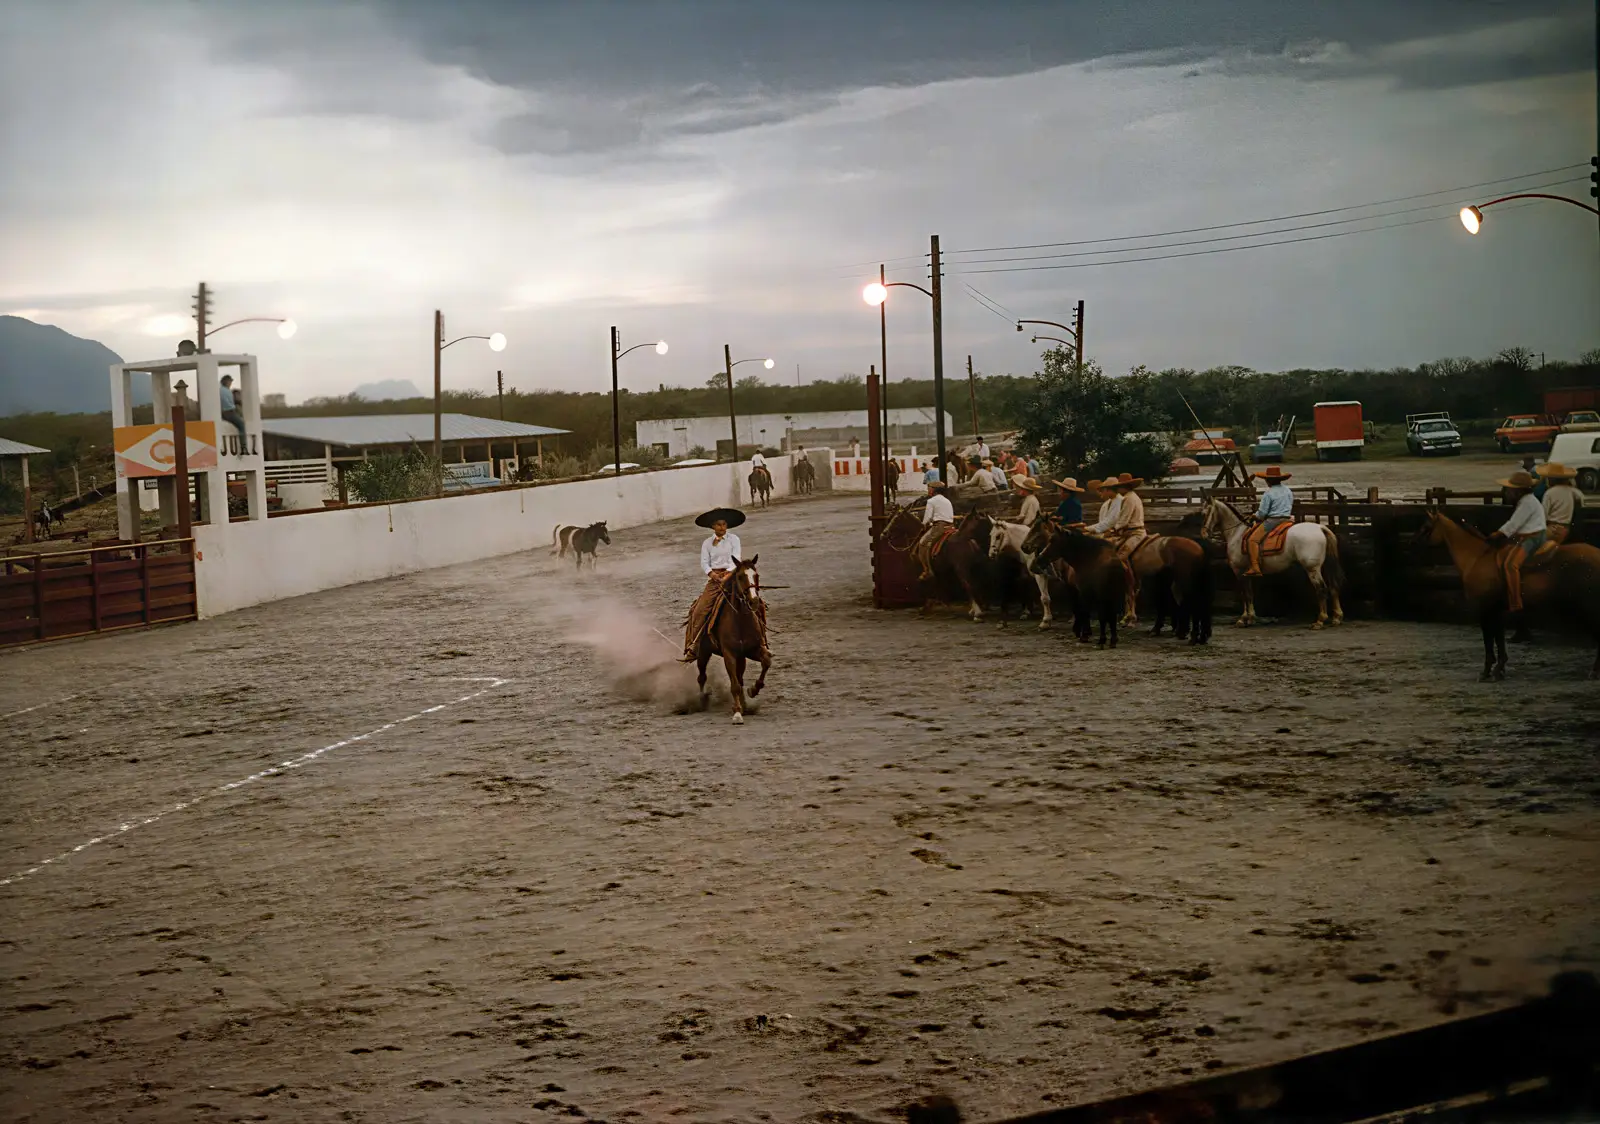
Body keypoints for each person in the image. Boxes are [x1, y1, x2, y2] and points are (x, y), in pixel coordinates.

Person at [682, 506, 766, 661]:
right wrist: (712, 574)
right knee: (700, 608)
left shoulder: (734, 539)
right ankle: (694, 644)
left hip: (733, 575)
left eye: (724, 524)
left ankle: (762, 642)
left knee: (757, 602)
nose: (722, 527)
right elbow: (704, 562)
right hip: (715, 580)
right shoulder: (707, 543)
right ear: (712, 527)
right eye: (718, 524)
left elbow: (736, 557)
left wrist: (728, 572)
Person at [1489, 470, 1546, 617]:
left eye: (1510, 489)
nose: (1507, 492)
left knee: (1510, 565)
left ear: (1518, 491)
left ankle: (1516, 604)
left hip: (1532, 538)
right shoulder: (1527, 500)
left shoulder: (1527, 503)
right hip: (1528, 535)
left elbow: (1514, 523)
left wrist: (1499, 533)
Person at [1243, 465, 1296, 577]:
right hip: (1287, 519)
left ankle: (1255, 567)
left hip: (1273, 521)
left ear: (1269, 481)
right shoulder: (1288, 490)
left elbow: (1262, 513)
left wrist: (1254, 516)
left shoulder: (1268, 493)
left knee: (1252, 540)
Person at [913, 481, 956, 580]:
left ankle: (927, 570)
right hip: (950, 526)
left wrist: (923, 525)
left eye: (929, 488)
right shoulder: (947, 500)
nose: (928, 490)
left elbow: (927, 518)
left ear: (933, 490)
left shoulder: (931, 501)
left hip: (939, 527)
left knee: (923, 543)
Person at [1538, 463, 1583, 546]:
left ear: (1552, 479)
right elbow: (1580, 496)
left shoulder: (1549, 493)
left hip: (1552, 529)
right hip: (1566, 528)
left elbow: (1543, 515)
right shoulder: (1572, 491)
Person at [220, 374, 247, 440]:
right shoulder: (225, 391)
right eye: (230, 381)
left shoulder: (222, 390)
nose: (230, 383)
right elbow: (227, 404)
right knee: (242, 425)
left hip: (224, 412)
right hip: (229, 412)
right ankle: (243, 446)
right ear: (226, 381)